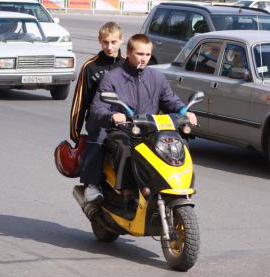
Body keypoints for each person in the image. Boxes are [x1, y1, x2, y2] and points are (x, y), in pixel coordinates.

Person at [90, 34, 197, 212]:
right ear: (128, 53)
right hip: (123, 130)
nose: (144, 58)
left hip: (151, 130)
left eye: (147, 54)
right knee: (126, 150)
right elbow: (97, 108)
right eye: (140, 54)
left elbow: (170, 100)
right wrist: (113, 115)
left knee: (180, 145)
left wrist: (185, 111)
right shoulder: (113, 77)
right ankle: (127, 194)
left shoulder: (156, 77)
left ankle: (175, 188)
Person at [69, 22, 124, 217]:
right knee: (99, 136)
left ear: (121, 40)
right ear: (100, 41)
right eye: (105, 42)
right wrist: (76, 133)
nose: (109, 47)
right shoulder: (90, 67)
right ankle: (91, 184)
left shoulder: (127, 65)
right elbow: (79, 101)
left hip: (123, 119)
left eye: (113, 42)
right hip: (98, 118)